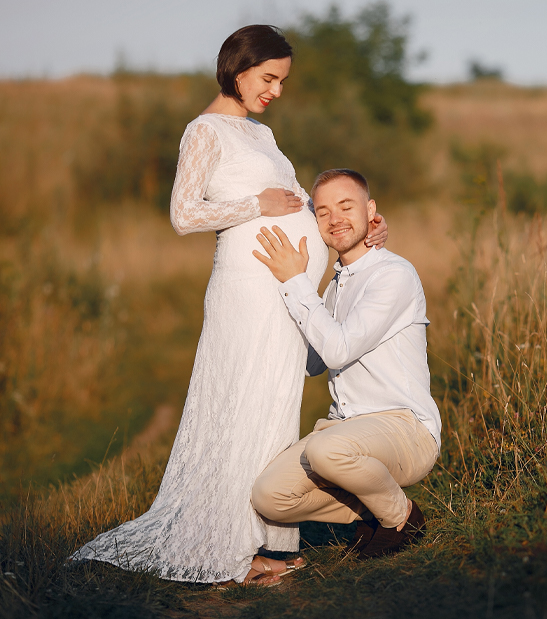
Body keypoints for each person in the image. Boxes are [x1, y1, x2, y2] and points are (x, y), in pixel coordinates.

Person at [71, 26, 386, 587]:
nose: (276, 91)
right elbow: (183, 214)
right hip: (246, 292)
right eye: (269, 78)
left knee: (273, 407)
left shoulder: (261, 136)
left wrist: (356, 230)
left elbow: (297, 206)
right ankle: (233, 544)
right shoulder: (204, 131)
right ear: (238, 68)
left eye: (282, 82)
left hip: (284, 293)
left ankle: (270, 540)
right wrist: (253, 204)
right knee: (241, 404)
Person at [250, 169, 440, 558]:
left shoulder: (394, 275)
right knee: (269, 495)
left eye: (346, 206)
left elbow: (337, 350)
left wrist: (295, 281)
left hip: (405, 428)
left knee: (325, 450)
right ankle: (371, 510)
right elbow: (317, 363)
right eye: (322, 212)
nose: (335, 219)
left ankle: (403, 516)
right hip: (348, 430)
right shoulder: (337, 285)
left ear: (371, 210)